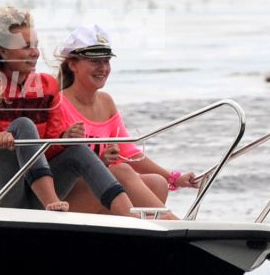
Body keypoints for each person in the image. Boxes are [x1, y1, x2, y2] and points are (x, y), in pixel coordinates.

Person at [0, 6, 131, 215]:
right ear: (3, 51)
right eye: (26, 47)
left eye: (35, 45)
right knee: (22, 126)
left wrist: (63, 138)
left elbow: (47, 148)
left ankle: (131, 214)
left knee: (77, 147)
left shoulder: (47, 86)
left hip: (31, 192)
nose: (35, 52)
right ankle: (51, 204)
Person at [56, 25, 199, 216]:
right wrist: (100, 161)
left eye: (106, 61)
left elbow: (129, 153)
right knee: (121, 172)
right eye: (94, 61)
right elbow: (54, 163)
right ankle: (172, 225)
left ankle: (145, 237)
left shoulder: (106, 102)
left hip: (99, 190)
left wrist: (173, 178)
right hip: (62, 199)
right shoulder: (57, 104)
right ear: (72, 64)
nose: (103, 68)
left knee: (157, 183)